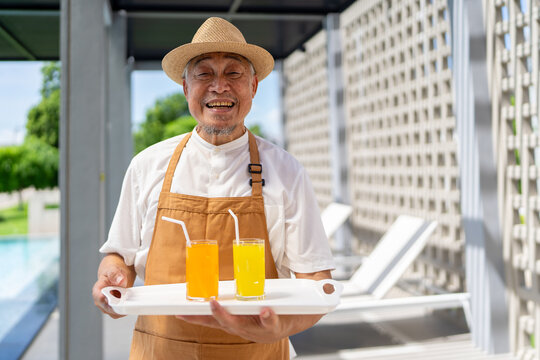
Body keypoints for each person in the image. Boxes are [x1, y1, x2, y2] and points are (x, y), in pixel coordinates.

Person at [92, 17, 335, 359]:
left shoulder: (287, 171)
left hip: (257, 352)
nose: (219, 87)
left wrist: (283, 327)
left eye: (233, 73)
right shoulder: (147, 165)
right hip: (160, 351)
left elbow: (317, 284)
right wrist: (113, 278)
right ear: (185, 88)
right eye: (204, 74)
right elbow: (120, 257)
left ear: (253, 87)